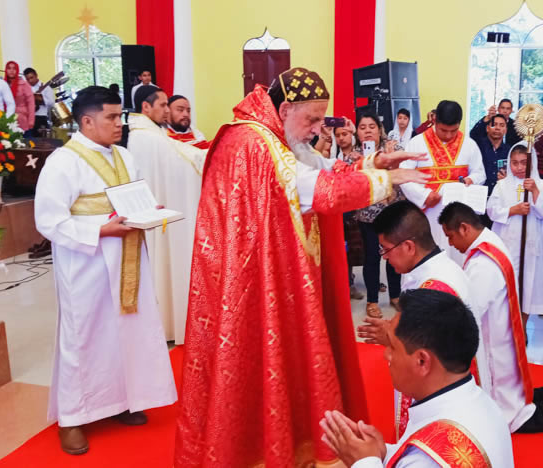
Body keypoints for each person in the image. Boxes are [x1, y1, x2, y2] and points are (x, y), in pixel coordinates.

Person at [174, 67, 429, 467]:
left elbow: (318, 171)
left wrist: (374, 161)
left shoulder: (273, 136)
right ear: (286, 109)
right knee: (257, 367)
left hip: (275, 276)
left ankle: (290, 442)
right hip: (250, 285)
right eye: (311, 119)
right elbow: (317, 190)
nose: (315, 130)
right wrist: (384, 179)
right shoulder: (253, 142)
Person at [34, 86, 177, 455]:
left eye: (119, 116)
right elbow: (48, 221)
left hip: (129, 258)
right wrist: (100, 230)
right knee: (85, 337)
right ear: (86, 121)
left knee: (127, 333)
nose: (119, 124)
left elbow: (135, 198)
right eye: (111, 117)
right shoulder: (63, 162)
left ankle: (122, 400)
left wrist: (150, 211)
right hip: (86, 264)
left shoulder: (125, 156)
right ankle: (72, 418)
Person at [322, 289, 515, 468]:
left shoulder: (427, 460)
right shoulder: (482, 403)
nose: (386, 355)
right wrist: (382, 452)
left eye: (392, 347)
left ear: (422, 361)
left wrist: (363, 462)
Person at [439, 202, 543, 433]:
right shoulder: (490, 241)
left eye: (450, 236)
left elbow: (470, 309)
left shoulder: (483, 262)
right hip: (501, 330)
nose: (450, 243)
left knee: (510, 417)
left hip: (495, 340)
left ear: (464, 228)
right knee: (511, 392)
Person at [358, 200, 473, 440]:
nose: (384, 257)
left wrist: (392, 338)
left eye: (385, 249)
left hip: (439, 403)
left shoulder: (434, 287)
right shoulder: (438, 269)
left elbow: (426, 356)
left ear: (409, 247)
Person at [127, 85, 207, 345]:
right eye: (162, 105)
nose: (167, 110)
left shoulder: (151, 134)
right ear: (146, 107)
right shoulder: (147, 137)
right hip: (159, 216)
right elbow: (185, 162)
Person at [402, 100, 486, 262]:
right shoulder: (417, 143)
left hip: (458, 214)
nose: (448, 135)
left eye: (453, 131)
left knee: (456, 258)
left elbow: (480, 173)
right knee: (427, 256)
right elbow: (405, 176)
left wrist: (471, 179)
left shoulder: (469, 145)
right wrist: (424, 195)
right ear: (435, 120)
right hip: (427, 212)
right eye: (443, 130)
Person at [487, 144, 543, 322]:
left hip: (531, 245)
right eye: (514, 163)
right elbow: (491, 210)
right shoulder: (502, 186)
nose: (519, 167)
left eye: (524, 162)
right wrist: (513, 210)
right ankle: (506, 325)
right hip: (507, 241)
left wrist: (534, 191)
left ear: (532, 163)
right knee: (506, 284)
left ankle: (522, 327)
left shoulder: (542, 185)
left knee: (528, 287)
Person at [355, 112, 405, 319]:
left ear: (379, 129)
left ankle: (395, 295)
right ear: (357, 132)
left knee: (395, 254)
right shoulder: (354, 155)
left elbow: (403, 173)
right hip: (368, 215)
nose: (367, 131)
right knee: (372, 257)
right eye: (362, 127)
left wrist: (392, 161)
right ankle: (372, 300)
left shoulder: (393, 148)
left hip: (393, 212)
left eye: (371, 127)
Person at [334, 121, 366, 300]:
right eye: (338, 135)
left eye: (345, 134)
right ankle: (346, 282)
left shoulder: (359, 153)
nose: (341, 138)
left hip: (355, 208)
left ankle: (353, 281)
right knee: (342, 248)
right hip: (338, 208)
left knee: (356, 249)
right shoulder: (332, 154)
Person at [470, 114, 511, 196]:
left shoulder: (509, 151)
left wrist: (507, 178)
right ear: (487, 128)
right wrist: (485, 119)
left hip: (500, 194)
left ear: (506, 130)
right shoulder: (478, 145)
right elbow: (473, 133)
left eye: (501, 125)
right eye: (494, 125)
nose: (497, 128)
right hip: (479, 194)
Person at [3, 61, 35, 132]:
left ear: (17, 70)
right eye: (9, 68)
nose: (11, 70)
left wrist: (31, 120)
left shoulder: (24, 84)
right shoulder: (2, 84)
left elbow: (31, 103)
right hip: (5, 119)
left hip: (21, 119)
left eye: (14, 68)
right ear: (6, 70)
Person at [23, 67, 56, 135]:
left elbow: (52, 103)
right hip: (27, 118)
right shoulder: (25, 88)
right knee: (26, 139)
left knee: (39, 140)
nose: (30, 81)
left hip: (40, 118)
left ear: (36, 75)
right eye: (27, 79)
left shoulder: (46, 87)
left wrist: (41, 99)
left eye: (31, 78)